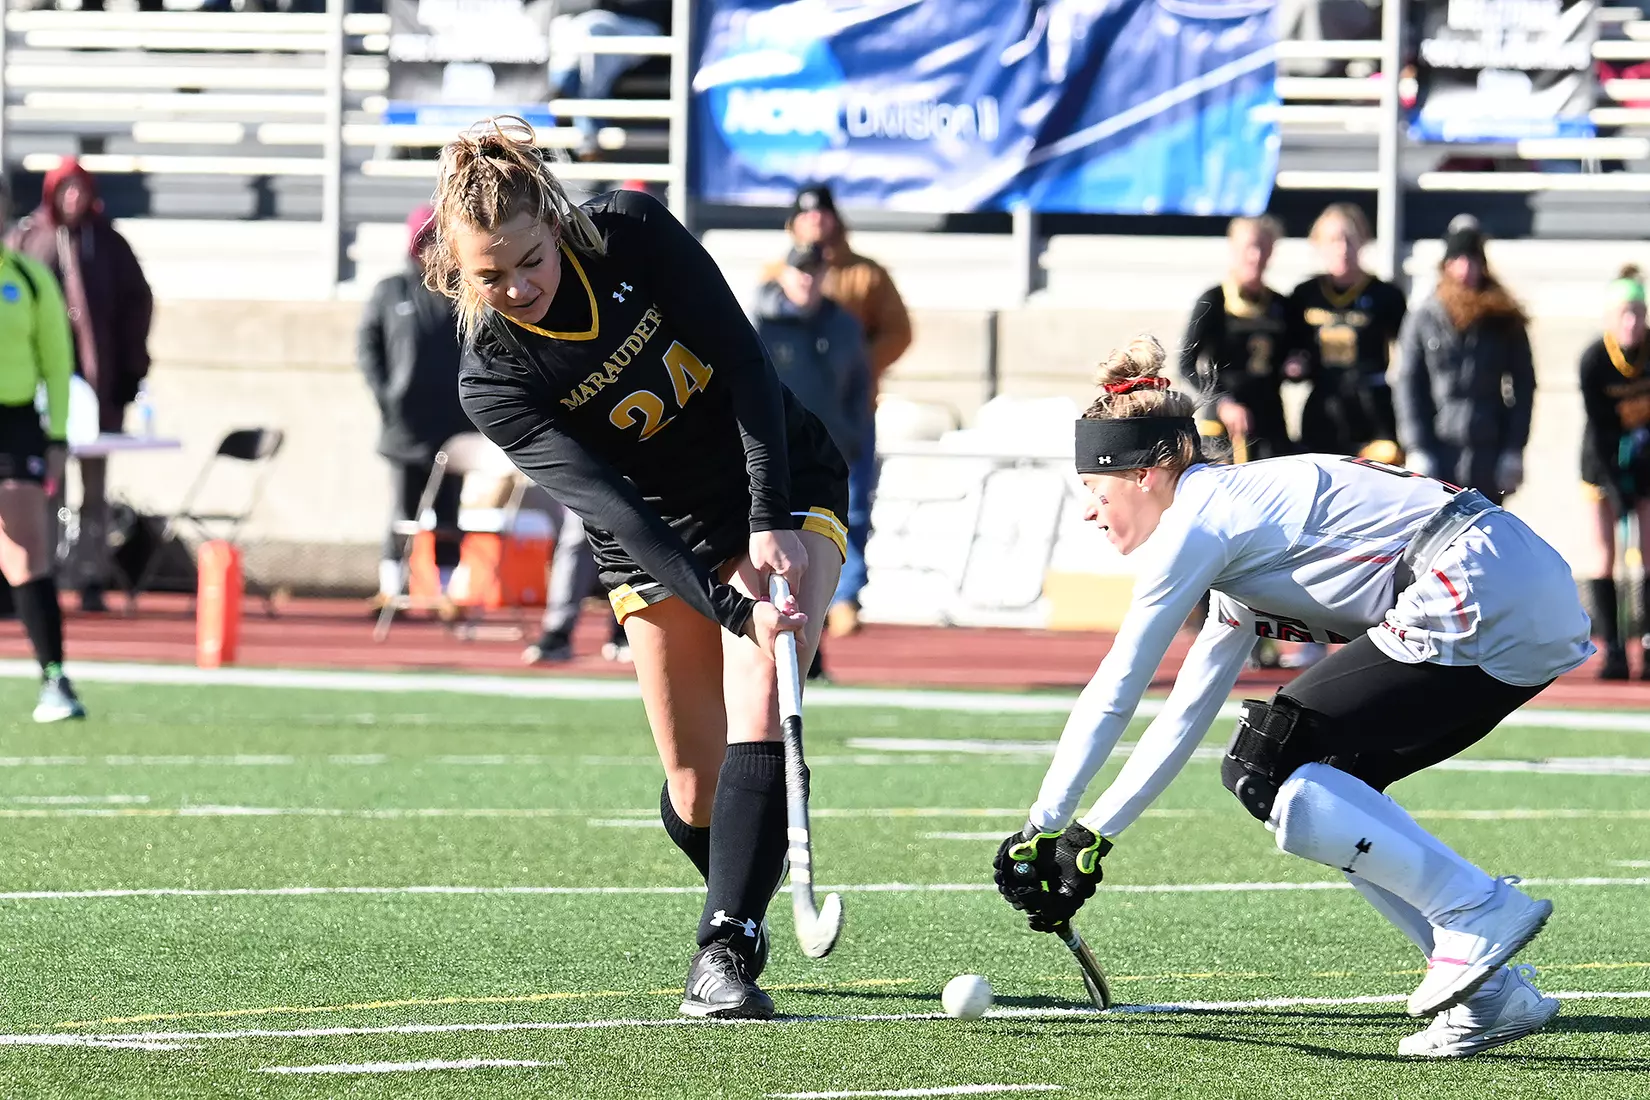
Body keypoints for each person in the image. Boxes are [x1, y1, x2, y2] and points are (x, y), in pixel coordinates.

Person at [994, 334, 1584, 1059]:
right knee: (1327, 789)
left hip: (1477, 581)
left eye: (1095, 489)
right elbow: (1184, 712)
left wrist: (1041, 824)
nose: (1091, 511)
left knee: (1268, 763)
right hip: (1520, 591)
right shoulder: (1236, 530)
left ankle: (1476, 907)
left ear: (1145, 473)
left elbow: (1118, 689)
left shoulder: (1199, 519)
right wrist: (1092, 835)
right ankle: (1492, 994)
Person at [430, 118, 848, 1020]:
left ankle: (722, 949)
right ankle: (740, 879)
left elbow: (744, 363)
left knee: (761, 704)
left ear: (554, 221)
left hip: (776, 480)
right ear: (457, 275)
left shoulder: (634, 233)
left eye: (529, 261)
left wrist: (771, 520)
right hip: (654, 535)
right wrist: (731, 609)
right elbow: (616, 510)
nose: (518, 287)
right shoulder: (491, 376)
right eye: (489, 276)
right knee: (696, 792)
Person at [5, 157, 153, 612]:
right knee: (45, 488)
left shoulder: (108, 244)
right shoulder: (30, 240)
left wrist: (130, 366)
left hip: (97, 385)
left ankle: (90, 573)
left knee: (94, 487)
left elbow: (137, 303)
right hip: (39, 392)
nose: (73, 198)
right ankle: (42, 571)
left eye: (80, 189)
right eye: (65, 189)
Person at [769, 184, 911, 639]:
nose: (815, 221)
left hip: (849, 407)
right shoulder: (776, 273)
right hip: (792, 410)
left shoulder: (865, 275)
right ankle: (799, 593)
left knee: (851, 505)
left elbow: (898, 332)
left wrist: (853, 366)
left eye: (823, 213)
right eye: (806, 214)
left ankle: (846, 595)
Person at [357, 205, 473, 612]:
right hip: (403, 425)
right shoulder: (390, 290)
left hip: (453, 427)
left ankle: (447, 593)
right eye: (422, 241)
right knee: (402, 511)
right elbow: (368, 348)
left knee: (447, 513)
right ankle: (393, 588)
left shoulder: (463, 290)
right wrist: (389, 395)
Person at [0, 179, 86, 722]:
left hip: (13, 426)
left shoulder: (27, 280)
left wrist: (57, 435)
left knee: (26, 551)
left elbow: (57, 362)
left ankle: (55, 679)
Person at [1395, 216, 1535, 504]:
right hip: (1439, 448)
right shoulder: (1424, 318)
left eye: (1473, 260)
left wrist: (1513, 449)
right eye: (1459, 259)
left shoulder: (1502, 318)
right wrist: (1416, 446)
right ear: (1446, 265)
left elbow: (1524, 384)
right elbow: (1408, 383)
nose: (1466, 269)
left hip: (1488, 450)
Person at [1577, 264, 1650, 680]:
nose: (1631, 321)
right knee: (1606, 554)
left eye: (1638, 312)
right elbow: (1601, 429)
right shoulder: (1594, 360)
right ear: (1611, 316)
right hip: (1599, 462)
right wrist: (1614, 485)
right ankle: (1614, 650)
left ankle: (1648, 643)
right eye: (1624, 312)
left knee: (1647, 552)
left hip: (1645, 461)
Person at [1290, 203, 1408, 459]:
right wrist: (1295, 366)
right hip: (1323, 408)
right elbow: (1290, 352)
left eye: (1350, 240)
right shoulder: (1305, 295)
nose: (1342, 249)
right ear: (1318, 245)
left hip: (1371, 406)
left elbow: (1410, 353)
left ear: (1364, 242)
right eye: (1333, 240)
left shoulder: (1385, 294)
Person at [1179, 215, 1298, 465]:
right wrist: (1222, 402)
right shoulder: (1213, 300)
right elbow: (1186, 365)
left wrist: (1296, 366)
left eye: (1264, 248)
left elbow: (1296, 355)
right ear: (1234, 249)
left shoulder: (1281, 305)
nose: (1256, 256)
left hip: (1269, 419)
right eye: (1250, 247)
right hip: (1224, 423)